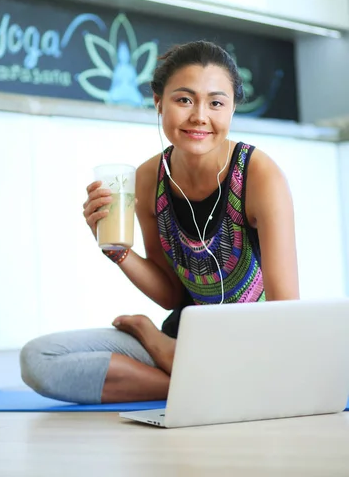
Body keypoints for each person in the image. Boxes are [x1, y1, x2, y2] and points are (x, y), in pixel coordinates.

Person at [20, 40, 299, 404]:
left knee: (275, 366)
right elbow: (171, 294)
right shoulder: (151, 178)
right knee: (39, 359)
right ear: (158, 102)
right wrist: (117, 251)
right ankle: (203, 387)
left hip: (254, 346)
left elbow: (287, 311)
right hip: (185, 339)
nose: (200, 115)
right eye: (184, 100)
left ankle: (186, 366)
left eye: (216, 102)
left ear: (231, 109)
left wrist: (153, 338)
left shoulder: (259, 175)